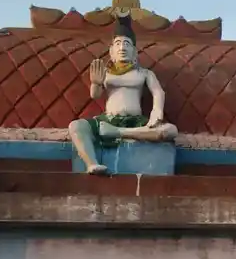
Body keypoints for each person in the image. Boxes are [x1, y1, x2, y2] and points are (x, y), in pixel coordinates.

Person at [68, 11, 177, 175]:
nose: (122, 47)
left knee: (170, 130)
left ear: (134, 51)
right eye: (118, 43)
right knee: (76, 126)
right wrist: (96, 83)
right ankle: (92, 164)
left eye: (127, 44)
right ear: (111, 51)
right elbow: (95, 95)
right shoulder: (106, 72)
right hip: (108, 120)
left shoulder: (144, 73)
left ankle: (119, 132)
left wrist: (157, 112)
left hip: (136, 122)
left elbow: (158, 92)